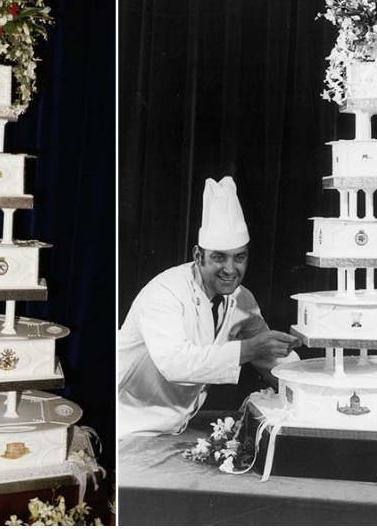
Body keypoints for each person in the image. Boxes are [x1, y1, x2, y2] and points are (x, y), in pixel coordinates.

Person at [118, 176, 301, 439]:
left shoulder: (243, 300)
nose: (230, 269)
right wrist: (248, 349)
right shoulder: (164, 292)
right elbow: (174, 363)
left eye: (239, 258)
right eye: (219, 257)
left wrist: (309, 388)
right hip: (128, 427)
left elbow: (271, 357)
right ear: (197, 256)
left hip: (177, 427)